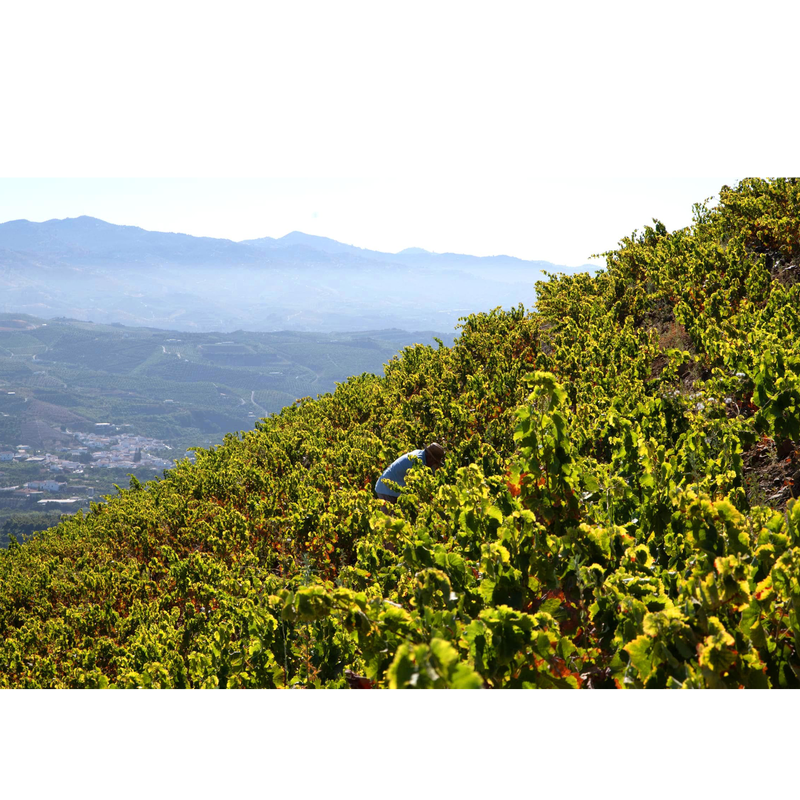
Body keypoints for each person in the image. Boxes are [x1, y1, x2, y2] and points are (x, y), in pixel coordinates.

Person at [375, 443, 445, 505]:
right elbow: (418, 488)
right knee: (389, 519)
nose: (435, 465)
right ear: (430, 458)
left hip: (396, 490)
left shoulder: (422, 456)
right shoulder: (417, 462)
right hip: (386, 490)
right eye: (435, 462)